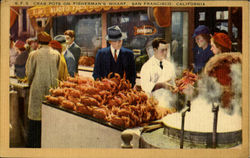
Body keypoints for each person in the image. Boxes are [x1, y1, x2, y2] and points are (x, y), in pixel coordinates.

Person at [25, 32, 60, 148]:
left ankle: (33, 148)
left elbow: (29, 74)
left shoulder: (34, 54)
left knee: (35, 122)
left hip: (37, 90)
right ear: (49, 42)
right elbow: (58, 73)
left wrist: (30, 83)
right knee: (50, 122)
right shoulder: (56, 54)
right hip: (52, 91)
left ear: (38, 42)